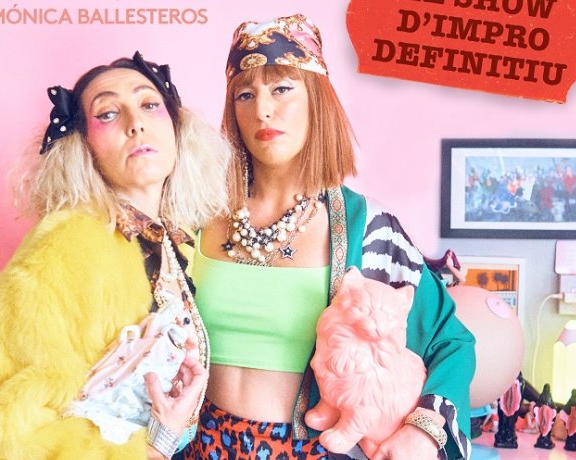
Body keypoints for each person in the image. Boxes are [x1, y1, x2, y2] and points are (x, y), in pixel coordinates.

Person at [180, 14, 476, 460]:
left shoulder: (367, 226)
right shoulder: (192, 217)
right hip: (203, 446)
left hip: (315, 451)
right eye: (245, 94)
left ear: (316, 99)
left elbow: (452, 342)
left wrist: (425, 431)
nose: (262, 110)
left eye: (282, 89)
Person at [0, 51, 232, 459]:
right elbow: (0, 432)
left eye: (149, 105)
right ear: (83, 147)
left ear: (178, 128)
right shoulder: (69, 245)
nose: (136, 123)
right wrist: (152, 449)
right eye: (108, 114)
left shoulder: (171, 241)